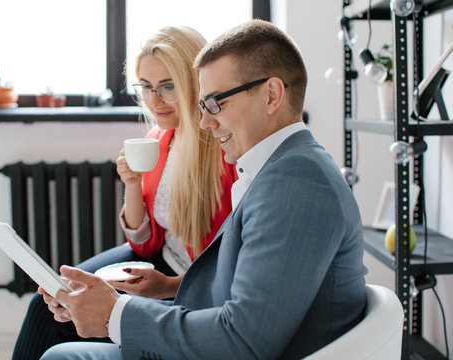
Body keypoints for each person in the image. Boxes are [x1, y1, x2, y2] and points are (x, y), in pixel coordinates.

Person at [40, 19, 368, 360]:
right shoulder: (277, 168)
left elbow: (242, 341)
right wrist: (164, 287)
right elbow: (245, 287)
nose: (204, 123)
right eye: (201, 106)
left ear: (272, 95)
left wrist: (114, 314)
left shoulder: (297, 185)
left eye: (216, 103)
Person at [11, 26, 236, 359]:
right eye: (145, 87)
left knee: (72, 317)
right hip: (157, 261)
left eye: (167, 87)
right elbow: (144, 244)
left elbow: (230, 263)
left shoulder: (226, 148)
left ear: (194, 82)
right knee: (47, 303)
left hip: (193, 282)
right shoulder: (161, 138)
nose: (153, 100)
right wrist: (132, 185)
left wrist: (169, 285)